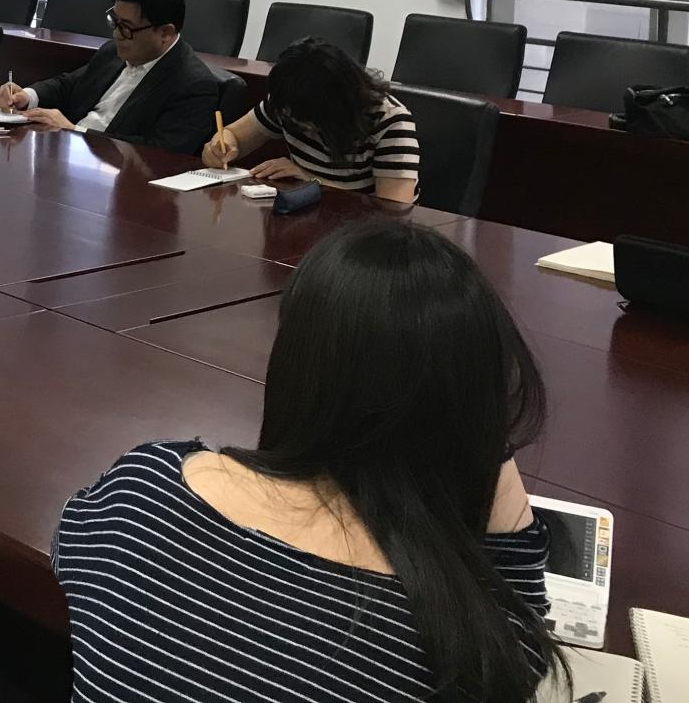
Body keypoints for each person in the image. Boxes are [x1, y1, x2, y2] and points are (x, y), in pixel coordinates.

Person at [55, 221, 559, 703]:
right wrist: (481, 410)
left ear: (292, 362)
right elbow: (522, 614)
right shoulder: (457, 645)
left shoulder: (144, 488)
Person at [0, 0, 226, 150]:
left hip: (122, 184)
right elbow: (69, 85)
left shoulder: (193, 85)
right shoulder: (113, 52)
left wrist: (74, 131)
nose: (116, 34)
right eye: (114, 21)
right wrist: (27, 96)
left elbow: (159, 152)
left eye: (126, 27)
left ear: (165, 33)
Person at [204, 36, 421, 204]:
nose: (302, 127)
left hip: (363, 238)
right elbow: (233, 135)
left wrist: (310, 180)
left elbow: (392, 213)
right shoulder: (288, 102)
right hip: (307, 220)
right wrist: (221, 147)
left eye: (309, 122)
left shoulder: (390, 121)